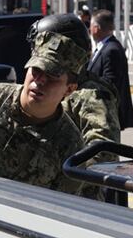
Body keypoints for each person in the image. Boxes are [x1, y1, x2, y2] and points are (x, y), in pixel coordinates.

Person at [0, 30, 90, 196]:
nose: (39, 80)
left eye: (52, 76)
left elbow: (61, 203)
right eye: (36, 70)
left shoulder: (70, 146)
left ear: (69, 89)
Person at [28, 14, 121, 201]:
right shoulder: (47, 87)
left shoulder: (90, 94)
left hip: (73, 201)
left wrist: (58, 175)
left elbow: (105, 152)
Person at [88, 9, 133, 130]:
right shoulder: (104, 47)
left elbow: (110, 83)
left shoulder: (111, 50)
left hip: (106, 115)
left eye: (91, 26)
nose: (89, 30)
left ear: (96, 28)